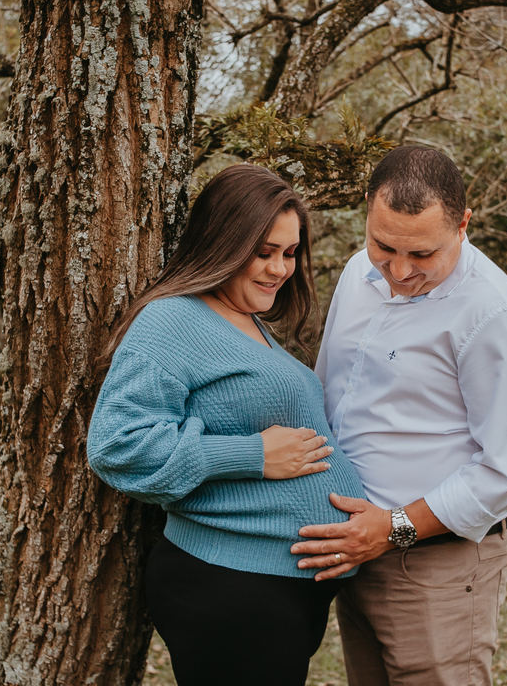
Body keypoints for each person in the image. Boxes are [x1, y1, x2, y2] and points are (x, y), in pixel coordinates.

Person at [87, 164, 367, 686]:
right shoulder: (173, 320)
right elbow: (116, 443)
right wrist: (252, 456)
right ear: (222, 242)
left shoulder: (249, 323)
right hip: (230, 586)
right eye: (263, 252)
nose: (279, 269)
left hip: (273, 590)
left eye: (288, 253)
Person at [291, 145, 507, 686]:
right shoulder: (357, 272)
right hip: (357, 551)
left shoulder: (493, 315)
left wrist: (394, 528)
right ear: (367, 211)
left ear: (463, 225)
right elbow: (330, 394)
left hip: (438, 566)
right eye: (385, 246)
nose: (400, 272)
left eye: (423, 255)